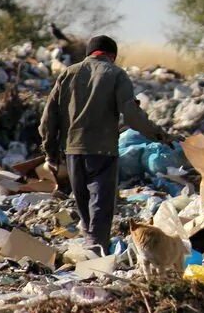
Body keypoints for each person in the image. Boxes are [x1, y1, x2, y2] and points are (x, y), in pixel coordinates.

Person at [40, 35, 174, 251]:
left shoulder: (68, 73)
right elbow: (132, 115)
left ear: (89, 54)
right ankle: (96, 247)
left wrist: (50, 151)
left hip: (73, 149)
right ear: (112, 55)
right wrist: (159, 135)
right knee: (101, 203)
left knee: (83, 201)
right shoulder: (116, 74)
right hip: (103, 150)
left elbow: (48, 118)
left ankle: (90, 244)